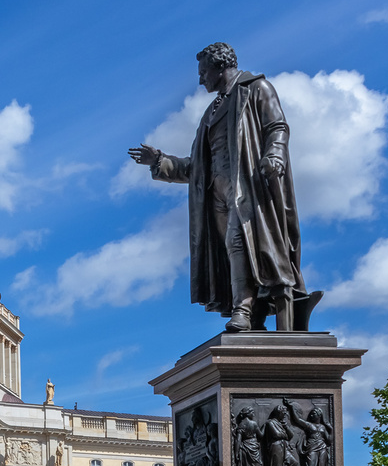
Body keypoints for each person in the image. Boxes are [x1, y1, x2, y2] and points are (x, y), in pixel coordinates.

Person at [128, 41, 313, 332]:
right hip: (216, 195)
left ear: (220, 66)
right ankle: (255, 315)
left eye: (203, 72)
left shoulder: (256, 89)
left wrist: (274, 154)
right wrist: (160, 160)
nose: (200, 79)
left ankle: (243, 310)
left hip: (248, 188)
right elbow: (196, 167)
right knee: (229, 254)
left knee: (239, 242)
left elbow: (277, 126)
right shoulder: (210, 113)